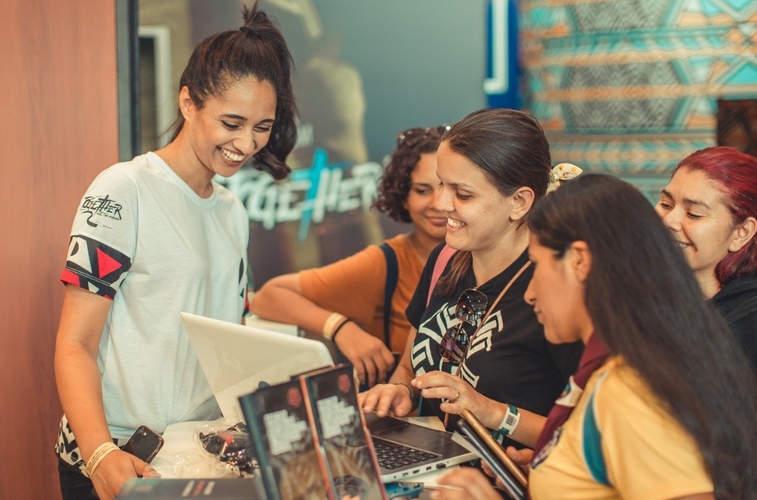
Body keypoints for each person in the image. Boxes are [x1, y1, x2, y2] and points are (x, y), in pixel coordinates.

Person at [52, 4, 298, 499]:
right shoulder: (124, 189)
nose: (246, 143)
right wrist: (101, 456)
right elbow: (75, 344)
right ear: (188, 102)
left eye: (262, 127)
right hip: (122, 453)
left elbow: (226, 338)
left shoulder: (231, 210)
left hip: (198, 453)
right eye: (232, 122)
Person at [432, 174, 757, 500]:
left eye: (536, 266)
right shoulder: (615, 364)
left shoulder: (631, 387)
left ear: (579, 261)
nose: (530, 294)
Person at [359, 108, 583, 448]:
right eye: (439, 186)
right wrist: (399, 391)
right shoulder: (445, 259)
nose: (441, 203)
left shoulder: (556, 287)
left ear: (520, 202)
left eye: (462, 194)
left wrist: (490, 411)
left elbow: (585, 439)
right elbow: (407, 368)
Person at [250, 126, 448, 387]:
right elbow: (268, 297)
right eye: (422, 190)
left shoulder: (497, 259)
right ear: (403, 195)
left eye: (450, 189)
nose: (439, 203)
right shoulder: (387, 263)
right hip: (410, 419)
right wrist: (341, 328)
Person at [655, 146, 757, 367]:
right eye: (666, 204)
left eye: (694, 213)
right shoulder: (649, 295)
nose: (668, 221)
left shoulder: (747, 326)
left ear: (741, 233)